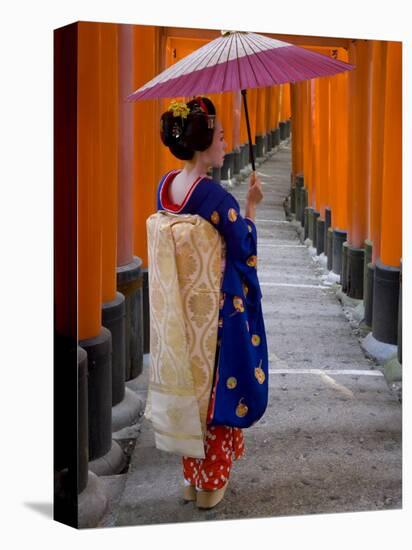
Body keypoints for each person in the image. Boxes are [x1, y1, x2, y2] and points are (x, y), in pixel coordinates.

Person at [155, 95, 268, 509]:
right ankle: (212, 482)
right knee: (219, 393)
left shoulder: (166, 188)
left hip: (182, 312)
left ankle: (192, 478)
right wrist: (251, 206)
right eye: (221, 136)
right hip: (217, 314)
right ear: (204, 143)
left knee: (191, 391)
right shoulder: (217, 199)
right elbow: (244, 249)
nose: (225, 143)